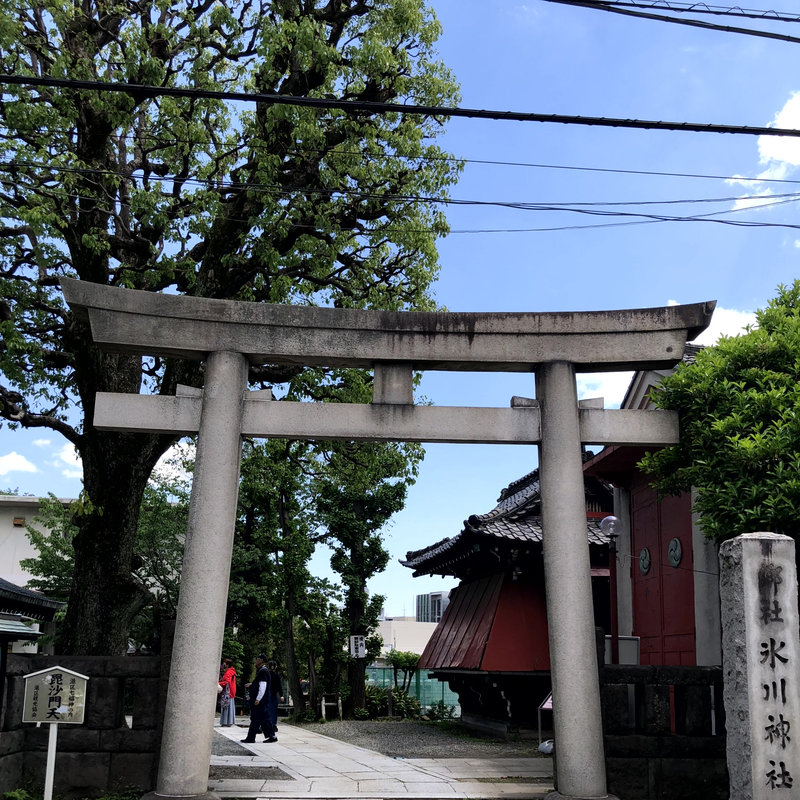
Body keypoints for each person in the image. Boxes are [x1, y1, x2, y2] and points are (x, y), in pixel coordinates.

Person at [241, 654, 277, 743]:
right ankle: (270, 736)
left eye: (257, 659)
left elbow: (263, 686)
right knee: (262, 718)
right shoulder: (261, 671)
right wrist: (252, 685)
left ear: (261, 660)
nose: (256, 661)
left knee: (257, 718)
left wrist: (258, 699)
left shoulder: (263, 671)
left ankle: (251, 737)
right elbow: (259, 684)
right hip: (261, 700)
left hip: (261, 700)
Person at [218, 658, 237, 727]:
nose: (223, 664)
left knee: (226, 705)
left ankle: (226, 721)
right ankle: (228, 721)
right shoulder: (231, 671)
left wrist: (219, 683)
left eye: (224, 663)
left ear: (228, 664)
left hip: (228, 692)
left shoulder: (229, 672)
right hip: (230, 691)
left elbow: (227, 682)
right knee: (228, 706)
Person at [267, 660, 284, 732]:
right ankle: (273, 725)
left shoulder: (266, 675)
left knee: (266, 710)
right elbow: (279, 686)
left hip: (266, 695)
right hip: (274, 695)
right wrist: (281, 695)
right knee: (274, 710)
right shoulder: (276, 676)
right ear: (275, 667)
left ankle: (265, 724)